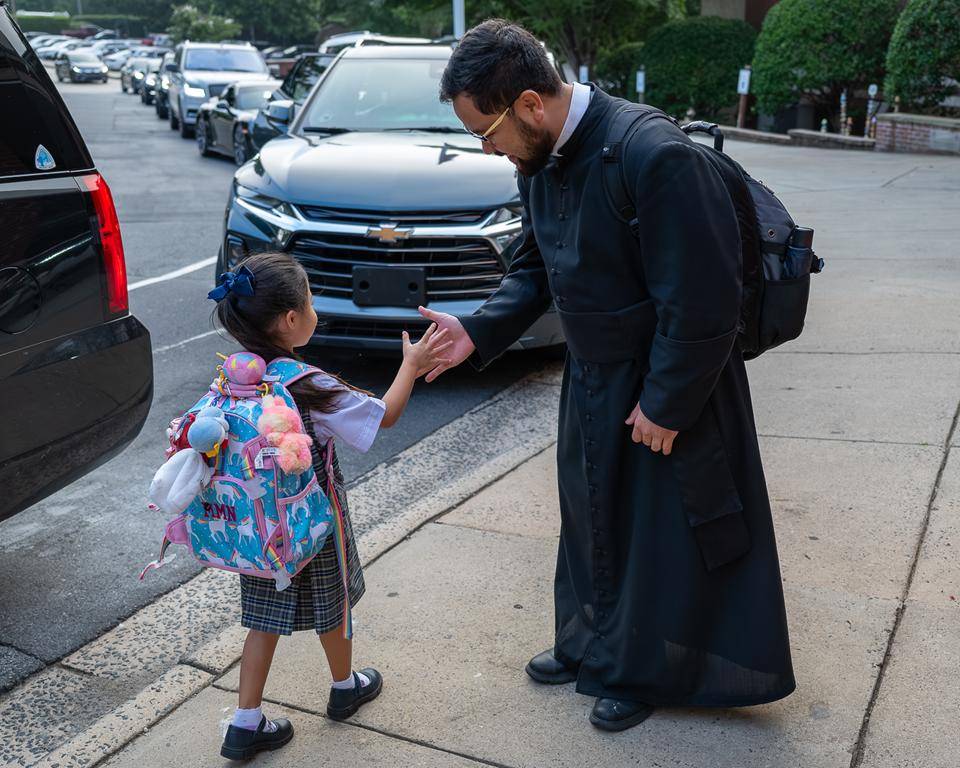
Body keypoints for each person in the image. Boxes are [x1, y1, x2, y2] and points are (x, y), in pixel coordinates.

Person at [418, 19, 796, 732]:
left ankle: (642, 669)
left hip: (666, 380)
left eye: (486, 130)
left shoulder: (654, 156)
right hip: (593, 376)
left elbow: (705, 301)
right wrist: (477, 330)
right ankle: (591, 644)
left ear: (530, 103)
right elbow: (535, 266)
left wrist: (667, 403)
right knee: (593, 517)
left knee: (659, 531)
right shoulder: (543, 160)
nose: (487, 148)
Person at [210, 252, 451, 759]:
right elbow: (382, 417)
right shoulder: (307, 383)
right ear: (290, 321)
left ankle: (245, 721)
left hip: (260, 529)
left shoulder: (235, 379)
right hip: (314, 521)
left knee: (263, 619)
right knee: (334, 605)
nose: (315, 311)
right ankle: (345, 687)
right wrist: (409, 365)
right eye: (311, 302)